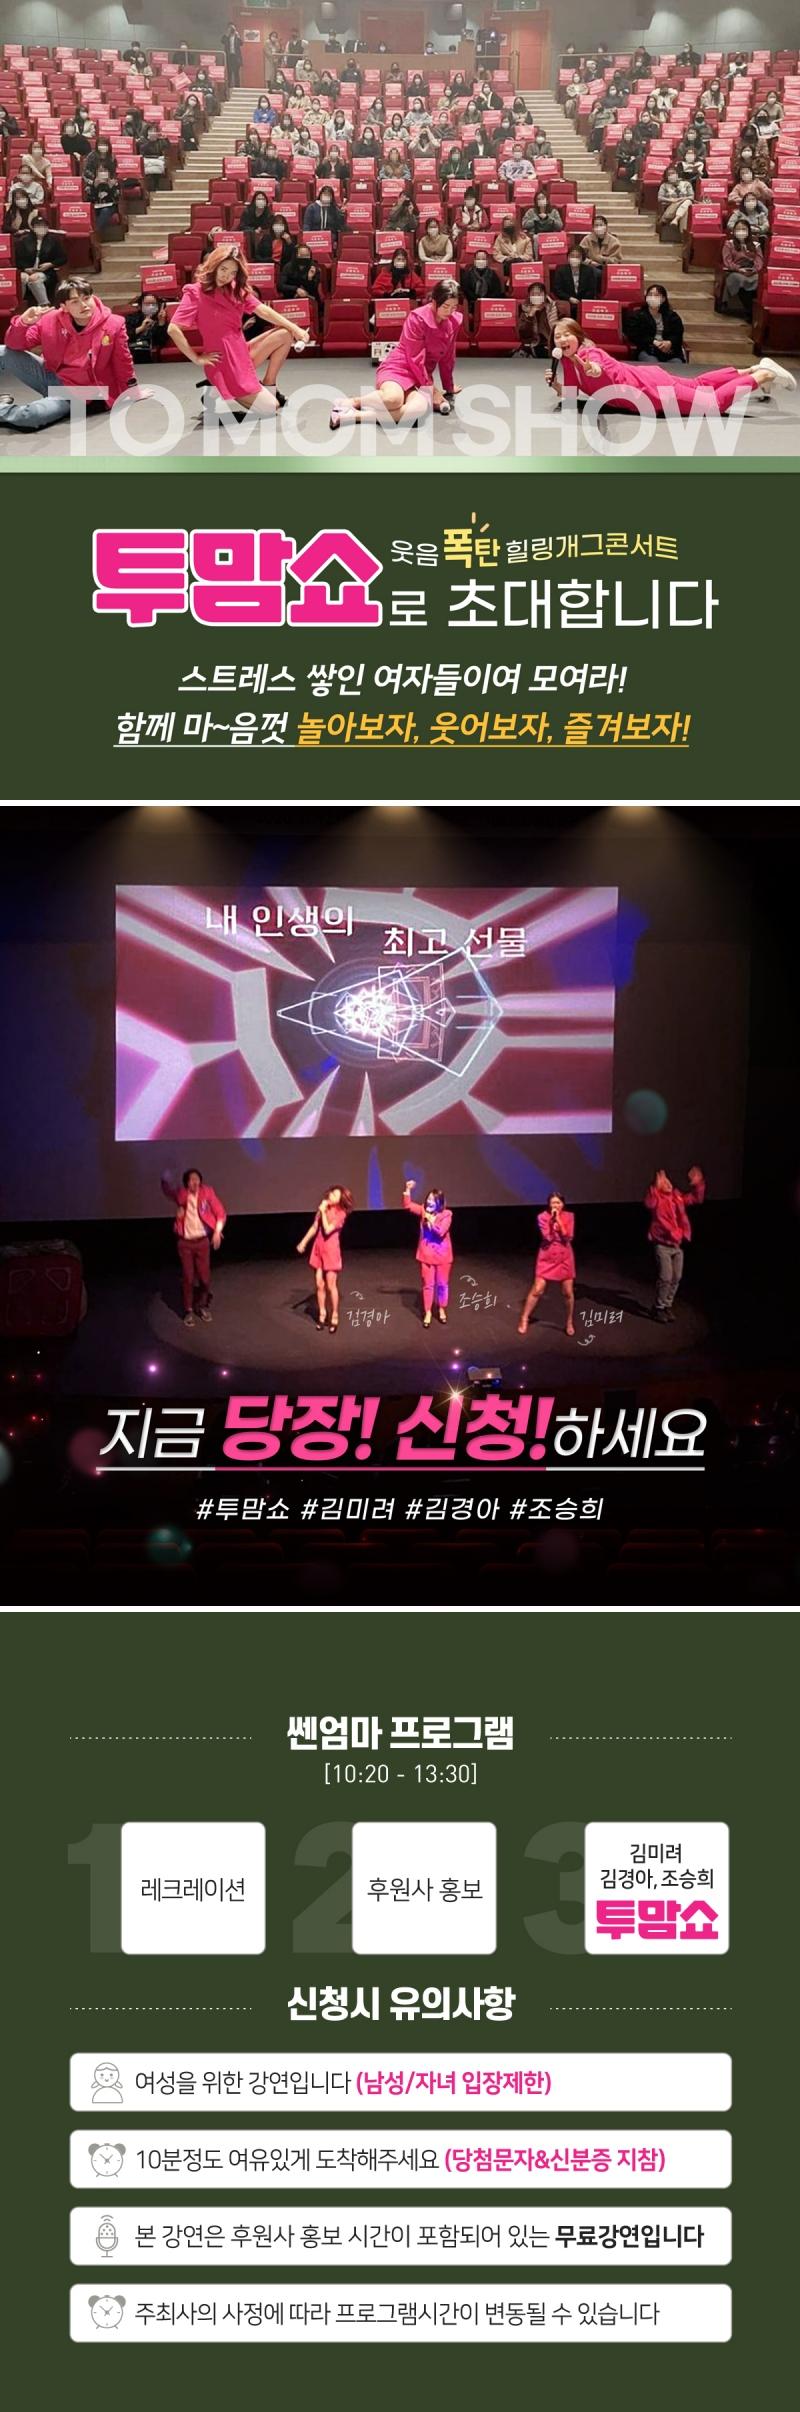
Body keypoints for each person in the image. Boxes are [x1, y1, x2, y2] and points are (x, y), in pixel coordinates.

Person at [169, 245, 309, 417]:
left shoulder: (235, 288)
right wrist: (196, 358)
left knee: (285, 334)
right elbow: (173, 329)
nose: (226, 276)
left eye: (232, 272)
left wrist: (295, 328)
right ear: (213, 265)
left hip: (242, 352)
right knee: (270, 408)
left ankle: (269, 384)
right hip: (223, 362)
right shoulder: (195, 292)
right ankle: (219, 388)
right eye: (223, 269)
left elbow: (262, 310)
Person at [550, 317, 795, 410]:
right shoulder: (569, 363)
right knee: (699, 384)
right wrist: (556, 387)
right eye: (557, 336)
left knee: (713, 404)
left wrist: (589, 368)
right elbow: (571, 397)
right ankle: (752, 369)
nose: (561, 340)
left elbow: (595, 370)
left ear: (578, 337)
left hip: (653, 392)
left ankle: (763, 375)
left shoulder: (590, 354)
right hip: (650, 378)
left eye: (566, 334)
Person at [0, 278, 136, 430]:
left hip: (80, 392)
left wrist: (131, 390)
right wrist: (23, 323)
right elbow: (14, 345)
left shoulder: (114, 324)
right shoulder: (50, 319)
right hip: (52, 377)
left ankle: (3, 409)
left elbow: (123, 360)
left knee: (31, 416)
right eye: (75, 302)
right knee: (2, 351)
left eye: (86, 298)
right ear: (64, 307)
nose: (84, 305)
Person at [329, 279, 462, 429]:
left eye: (454, 307)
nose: (450, 312)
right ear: (434, 301)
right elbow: (415, 359)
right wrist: (432, 390)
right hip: (400, 367)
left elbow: (448, 356)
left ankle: (351, 416)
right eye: (446, 306)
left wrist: (449, 387)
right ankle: (352, 402)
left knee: (417, 410)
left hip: (421, 376)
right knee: (392, 400)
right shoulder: (417, 318)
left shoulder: (454, 321)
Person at [161, 1168, 227, 1327]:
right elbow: (169, 1191)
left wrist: (217, 1232)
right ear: (186, 1183)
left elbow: (220, 1213)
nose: (195, 1182)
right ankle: (188, 1310)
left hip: (202, 1242)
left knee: (205, 1278)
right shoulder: (182, 1195)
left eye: (197, 1179)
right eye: (191, 1180)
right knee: (188, 1278)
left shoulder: (207, 1193)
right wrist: (165, 1178)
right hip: (185, 1243)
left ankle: (202, 1306)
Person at [643, 1167, 705, 1323]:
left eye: (668, 1181)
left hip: (676, 1246)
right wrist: (655, 1187)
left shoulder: (677, 1197)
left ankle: (666, 1305)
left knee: (677, 1277)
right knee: (665, 1277)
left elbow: (695, 1199)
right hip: (662, 1245)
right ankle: (658, 1308)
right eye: (664, 1182)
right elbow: (649, 1203)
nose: (668, 1184)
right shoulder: (657, 1199)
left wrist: (698, 1184)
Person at [297, 1186, 354, 1332]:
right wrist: (303, 1242)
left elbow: (328, 1229)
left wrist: (322, 1211)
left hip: (331, 1250)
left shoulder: (341, 1214)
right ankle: (322, 1314)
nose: (331, 1196)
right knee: (319, 1284)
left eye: (335, 1195)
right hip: (319, 1248)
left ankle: (334, 1314)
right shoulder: (323, 1208)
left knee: (330, 1285)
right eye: (332, 1193)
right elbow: (314, 1227)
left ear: (340, 1200)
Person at [518, 1194, 576, 1337]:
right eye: (552, 1203)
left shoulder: (569, 1216)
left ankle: (569, 1321)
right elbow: (548, 1237)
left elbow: (568, 1237)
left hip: (564, 1256)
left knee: (568, 1292)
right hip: (547, 1256)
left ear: (563, 1204)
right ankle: (524, 1318)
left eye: (558, 1203)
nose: (555, 1205)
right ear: (549, 1205)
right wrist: (552, 1222)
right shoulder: (542, 1217)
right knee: (537, 1289)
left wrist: (559, 1221)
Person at [403, 1180, 453, 1326]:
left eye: (433, 1200)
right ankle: (428, 1311)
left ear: (439, 1203)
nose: (429, 1202)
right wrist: (407, 1189)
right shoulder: (423, 1211)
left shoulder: (447, 1215)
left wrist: (431, 1220)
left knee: (442, 1284)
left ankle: (442, 1308)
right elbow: (408, 1205)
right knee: (428, 1285)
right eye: (428, 1199)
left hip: (443, 1256)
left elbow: (441, 1232)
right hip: (426, 1255)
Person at [12, 213, 67, 306]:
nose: (41, 228)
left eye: (44, 226)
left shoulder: (53, 241)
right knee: (21, 278)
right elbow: (17, 260)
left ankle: (44, 305)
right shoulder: (23, 241)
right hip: (26, 271)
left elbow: (63, 258)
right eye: (38, 226)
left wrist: (50, 264)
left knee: (34, 278)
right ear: (33, 228)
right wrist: (25, 269)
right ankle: (19, 305)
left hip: (46, 272)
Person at [625, 282, 686, 362]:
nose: (652, 297)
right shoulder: (638, 315)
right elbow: (634, 334)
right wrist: (653, 342)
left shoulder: (672, 316)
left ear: (663, 299)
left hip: (670, 352)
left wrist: (669, 342)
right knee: (653, 363)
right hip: (648, 350)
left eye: (656, 295)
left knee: (676, 363)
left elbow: (678, 334)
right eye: (650, 294)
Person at [719, 222, 763, 321]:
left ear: (748, 231)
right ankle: (750, 312)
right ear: (734, 231)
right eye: (738, 229)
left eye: (744, 229)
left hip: (752, 271)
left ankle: (753, 312)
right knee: (740, 280)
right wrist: (739, 269)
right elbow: (727, 261)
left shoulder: (755, 245)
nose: (741, 232)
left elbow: (759, 260)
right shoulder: (729, 244)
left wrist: (754, 270)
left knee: (758, 280)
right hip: (735, 271)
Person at [551, 244, 598, 313]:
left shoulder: (589, 270)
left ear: (582, 259)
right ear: (568, 258)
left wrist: (581, 301)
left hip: (583, 303)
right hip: (567, 302)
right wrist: (569, 298)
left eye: (578, 256)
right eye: (572, 256)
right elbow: (557, 290)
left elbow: (591, 290)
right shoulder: (561, 270)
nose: (574, 258)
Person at [517, 278, 557, 357]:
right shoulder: (525, 309)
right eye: (533, 294)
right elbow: (523, 334)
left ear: (545, 295)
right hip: (533, 344)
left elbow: (561, 328)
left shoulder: (554, 308)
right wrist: (530, 316)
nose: (536, 296)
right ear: (529, 297)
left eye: (539, 294)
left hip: (550, 343)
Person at [125, 291, 170, 360]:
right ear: (140, 306)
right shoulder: (131, 318)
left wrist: (161, 323)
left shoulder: (161, 319)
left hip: (151, 358)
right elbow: (125, 337)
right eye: (147, 304)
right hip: (132, 354)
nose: (150, 307)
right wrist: (141, 328)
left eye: (153, 304)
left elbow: (161, 342)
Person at [461, 246, 504, 313]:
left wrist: (486, 300)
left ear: (487, 261)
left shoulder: (493, 274)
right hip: (473, 304)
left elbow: (497, 291)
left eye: (483, 259)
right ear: (474, 260)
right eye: (478, 259)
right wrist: (477, 300)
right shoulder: (468, 274)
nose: (481, 261)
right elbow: (466, 290)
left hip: (490, 304)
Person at [222, 22, 242, 88]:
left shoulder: (236, 36)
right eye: (230, 28)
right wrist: (227, 34)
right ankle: (229, 86)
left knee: (236, 72)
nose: (231, 29)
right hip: (229, 56)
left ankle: (237, 86)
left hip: (236, 56)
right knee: (229, 72)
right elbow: (222, 41)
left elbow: (241, 43)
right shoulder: (227, 36)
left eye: (232, 28)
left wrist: (238, 35)